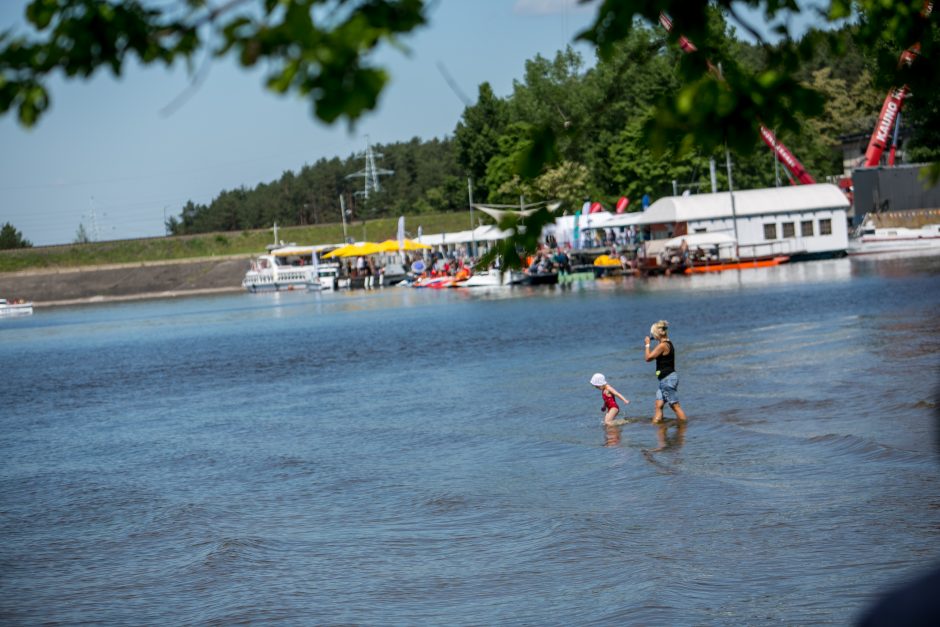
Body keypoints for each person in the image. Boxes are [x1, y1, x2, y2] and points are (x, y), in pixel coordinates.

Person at [643, 320, 688, 424]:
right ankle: (657, 427)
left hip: (667, 379)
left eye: (652, 334)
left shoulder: (663, 345)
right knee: (658, 405)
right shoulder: (667, 343)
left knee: (674, 405)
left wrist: (647, 345)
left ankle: (684, 426)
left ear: (656, 334)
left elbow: (648, 358)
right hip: (664, 379)